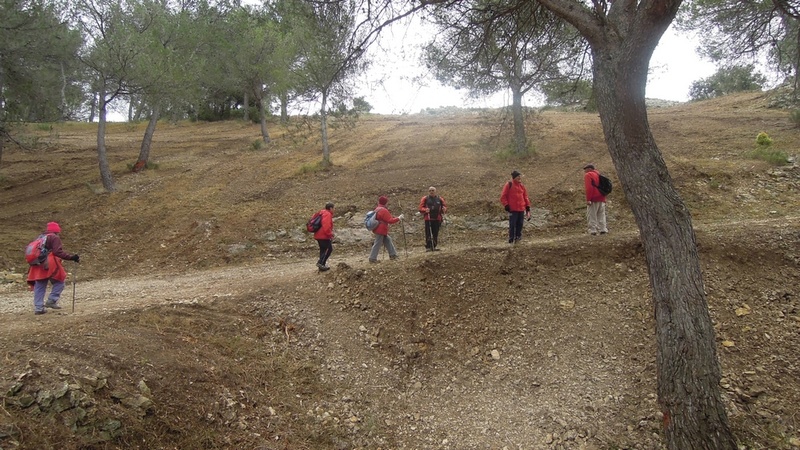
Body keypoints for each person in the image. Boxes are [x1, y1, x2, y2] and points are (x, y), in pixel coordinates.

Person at [26, 222, 80, 315]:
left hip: (37, 263)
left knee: (40, 284)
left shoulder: (41, 237)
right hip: (49, 262)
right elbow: (57, 252)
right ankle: (52, 300)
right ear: (57, 230)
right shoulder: (54, 238)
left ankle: (38, 308)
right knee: (60, 281)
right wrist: (71, 257)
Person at [369, 196, 404, 263]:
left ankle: (393, 255)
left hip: (377, 228)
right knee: (377, 243)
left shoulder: (377, 209)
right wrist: (399, 218)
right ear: (385, 202)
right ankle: (372, 258)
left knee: (388, 240)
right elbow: (390, 220)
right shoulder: (384, 210)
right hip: (381, 229)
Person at [500, 170, 531, 244]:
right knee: (512, 224)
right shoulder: (509, 184)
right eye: (518, 176)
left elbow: (525, 197)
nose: (520, 177)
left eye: (520, 176)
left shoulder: (522, 186)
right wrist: (506, 205)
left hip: (521, 209)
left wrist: (527, 206)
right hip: (512, 209)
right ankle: (511, 239)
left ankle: (518, 238)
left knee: (520, 224)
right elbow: (503, 196)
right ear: (514, 177)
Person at [418, 186, 447, 251]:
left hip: (437, 218)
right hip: (428, 218)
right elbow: (420, 208)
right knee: (428, 232)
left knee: (435, 232)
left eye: (433, 190)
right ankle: (428, 246)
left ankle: (434, 246)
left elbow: (444, 206)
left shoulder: (440, 199)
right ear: (428, 191)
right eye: (430, 190)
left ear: (435, 191)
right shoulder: (425, 198)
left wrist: (444, 209)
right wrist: (425, 209)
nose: (431, 192)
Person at [583, 164, 608, 235]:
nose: (585, 171)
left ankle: (592, 230)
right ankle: (603, 229)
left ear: (589, 169)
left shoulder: (588, 175)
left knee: (592, 214)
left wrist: (588, 199)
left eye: (585, 169)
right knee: (601, 214)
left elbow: (589, 188)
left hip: (594, 198)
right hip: (602, 197)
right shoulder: (599, 174)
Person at [314, 202, 335, 272]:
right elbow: (326, 226)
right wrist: (330, 234)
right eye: (334, 208)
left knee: (323, 250)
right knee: (329, 249)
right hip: (323, 236)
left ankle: (322, 265)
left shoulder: (321, 213)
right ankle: (320, 263)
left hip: (318, 235)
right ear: (331, 208)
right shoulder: (327, 214)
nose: (334, 210)